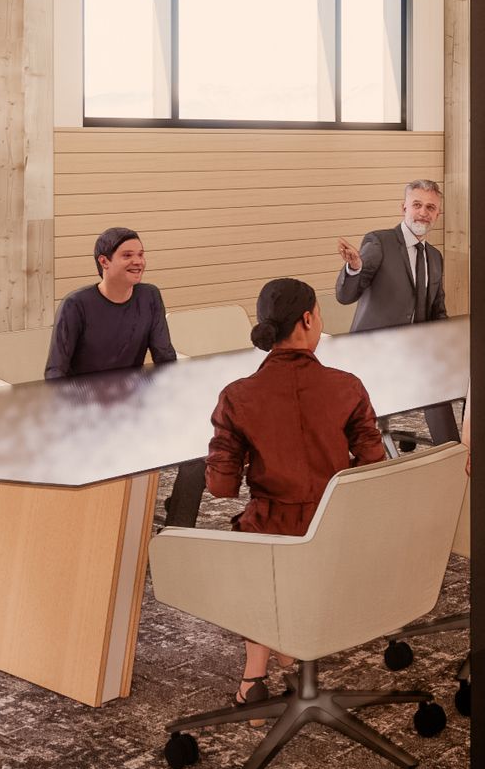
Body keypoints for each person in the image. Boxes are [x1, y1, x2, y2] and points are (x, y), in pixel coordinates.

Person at [203, 277, 386, 717]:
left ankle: (254, 677)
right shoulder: (347, 386)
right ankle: (289, 654)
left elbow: (221, 487)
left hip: (273, 536)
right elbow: (373, 465)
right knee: (284, 548)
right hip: (334, 533)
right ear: (307, 320)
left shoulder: (237, 396)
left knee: (257, 541)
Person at [47, 227, 197, 526]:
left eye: (141, 254)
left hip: (133, 405)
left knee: (198, 450)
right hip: (88, 410)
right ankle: (98, 523)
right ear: (104, 261)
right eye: (127, 255)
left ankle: (178, 528)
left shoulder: (149, 296)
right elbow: (55, 371)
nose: (138, 261)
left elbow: (164, 355)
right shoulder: (76, 305)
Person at [335, 180, 457, 445]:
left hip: (414, 352)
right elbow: (345, 296)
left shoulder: (435, 257)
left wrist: (449, 342)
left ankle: (452, 454)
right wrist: (354, 268)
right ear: (404, 208)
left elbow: (437, 310)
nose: (423, 212)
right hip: (373, 352)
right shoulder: (380, 242)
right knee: (434, 380)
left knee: (447, 376)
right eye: (417, 205)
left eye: (430, 207)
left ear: (438, 214)